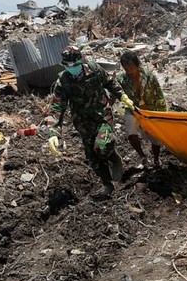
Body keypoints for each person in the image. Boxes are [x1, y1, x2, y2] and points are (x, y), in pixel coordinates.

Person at [48, 45, 135, 198]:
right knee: (92, 158)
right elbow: (57, 107)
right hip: (82, 122)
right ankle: (108, 185)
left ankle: (114, 158)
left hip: (102, 115)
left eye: (74, 65)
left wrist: (122, 97)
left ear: (80, 61)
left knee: (102, 146)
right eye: (67, 66)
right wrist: (54, 132)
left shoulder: (94, 69)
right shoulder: (64, 81)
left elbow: (110, 82)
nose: (71, 68)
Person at [116, 49, 167, 167]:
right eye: (126, 69)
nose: (129, 71)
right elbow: (116, 93)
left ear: (137, 65)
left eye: (131, 68)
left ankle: (156, 159)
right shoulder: (122, 79)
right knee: (130, 132)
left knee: (155, 138)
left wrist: (163, 113)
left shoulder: (149, 76)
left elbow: (159, 93)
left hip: (150, 109)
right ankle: (142, 155)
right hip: (132, 109)